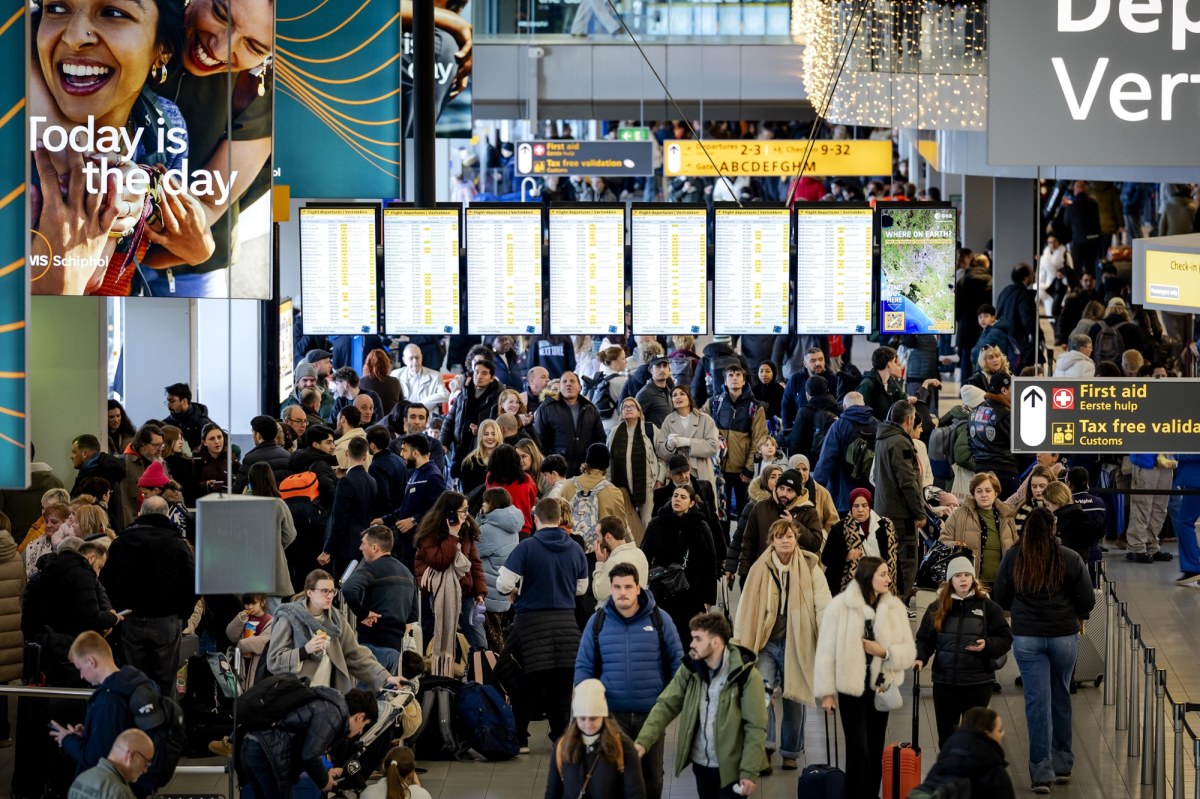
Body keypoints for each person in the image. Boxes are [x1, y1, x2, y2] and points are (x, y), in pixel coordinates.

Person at [991, 508, 1094, 793]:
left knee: (1036, 702)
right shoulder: (1070, 557)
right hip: (1063, 636)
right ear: (1053, 528)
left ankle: (1041, 771)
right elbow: (1086, 599)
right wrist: (1074, 611)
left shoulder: (1014, 557)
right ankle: (1063, 763)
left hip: (1027, 637)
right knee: (1061, 693)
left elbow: (1000, 596)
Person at [574, 563, 682, 799]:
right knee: (611, 779)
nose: (622, 592)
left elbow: (678, 664)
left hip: (652, 715)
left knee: (651, 779)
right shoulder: (597, 621)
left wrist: (670, 703)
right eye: (617, 587)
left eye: (627, 587)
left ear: (638, 588)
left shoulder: (659, 619)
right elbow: (583, 665)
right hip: (612, 716)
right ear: (611, 589)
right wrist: (585, 707)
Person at [633, 612, 767, 799]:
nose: (691, 644)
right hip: (701, 765)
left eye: (698, 639)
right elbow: (667, 704)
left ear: (716, 642)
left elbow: (756, 727)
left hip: (732, 768)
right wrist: (643, 742)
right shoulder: (691, 667)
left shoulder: (746, 676)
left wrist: (749, 771)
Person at [813, 557, 917, 799]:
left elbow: (908, 651)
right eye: (883, 574)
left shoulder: (894, 608)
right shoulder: (840, 607)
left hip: (881, 688)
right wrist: (827, 693)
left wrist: (884, 652)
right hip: (851, 689)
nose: (889, 579)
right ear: (868, 576)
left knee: (874, 748)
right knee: (858, 749)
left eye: (888, 574)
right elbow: (826, 652)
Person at [735, 520, 831, 772]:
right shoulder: (760, 568)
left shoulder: (811, 567)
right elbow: (745, 606)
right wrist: (740, 643)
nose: (785, 540)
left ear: (796, 539)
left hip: (796, 642)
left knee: (794, 698)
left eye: (789, 536)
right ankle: (764, 748)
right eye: (779, 536)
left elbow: (823, 606)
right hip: (765, 643)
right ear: (772, 541)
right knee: (761, 696)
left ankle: (791, 751)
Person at [497, 498, 589, 751]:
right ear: (560, 518)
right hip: (566, 625)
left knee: (524, 683)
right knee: (561, 686)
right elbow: (582, 588)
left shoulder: (527, 547)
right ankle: (561, 737)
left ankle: (520, 738)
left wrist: (515, 591)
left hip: (531, 625)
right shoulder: (575, 548)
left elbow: (503, 583)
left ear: (535, 518)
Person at [100, 497, 195, 697]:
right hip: (166, 621)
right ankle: (162, 723)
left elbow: (106, 581)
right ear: (167, 515)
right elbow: (193, 583)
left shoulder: (121, 542)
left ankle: (136, 724)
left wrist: (117, 611)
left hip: (130, 619)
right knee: (165, 682)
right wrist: (183, 614)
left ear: (140, 514)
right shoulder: (178, 545)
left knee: (134, 682)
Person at [913, 557, 1013, 747]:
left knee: (974, 737)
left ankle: (971, 775)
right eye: (958, 575)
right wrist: (920, 657)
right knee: (946, 737)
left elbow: (1005, 638)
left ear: (973, 578)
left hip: (978, 681)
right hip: (945, 681)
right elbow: (925, 639)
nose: (963, 579)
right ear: (950, 579)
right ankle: (950, 775)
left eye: (967, 575)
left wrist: (988, 644)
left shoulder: (988, 606)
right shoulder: (937, 607)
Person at [49, 633, 161, 790]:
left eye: (80, 668)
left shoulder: (108, 700)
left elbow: (96, 758)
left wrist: (67, 740)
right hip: (133, 777)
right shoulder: (135, 681)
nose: (81, 676)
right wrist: (88, 733)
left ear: (91, 661)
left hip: (108, 786)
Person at [267, 569, 406, 693]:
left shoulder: (336, 619)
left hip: (330, 696)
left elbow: (357, 655)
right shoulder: (289, 617)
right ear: (309, 592)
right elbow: (274, 660)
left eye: (332, 591)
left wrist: (387, 678)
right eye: (324, 591)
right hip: (297, 695)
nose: (329, 596)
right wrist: (304, 651)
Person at [238, 686, 380, 799]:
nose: (361, 732)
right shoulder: (333, 715)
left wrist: (325, 770)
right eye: (364, 725)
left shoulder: (329, 701)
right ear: (360, 717)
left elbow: (308, 746)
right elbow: (310, 755)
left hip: (254, 745)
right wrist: (324, 781)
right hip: (267, 754)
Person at [642, 481, 718, 646]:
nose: (677, 499)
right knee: (662, 640)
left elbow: (710, 562)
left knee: (689, 641)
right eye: (675, 496)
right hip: (662, 592)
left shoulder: (701, 527)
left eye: (683, 497)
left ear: (691, 503)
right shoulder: (657, 523)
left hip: (691, 593)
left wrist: (709, 598)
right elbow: (644, 556)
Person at [413, 491, 487, 659]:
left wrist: (480, 592)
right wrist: (452, 535)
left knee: (479, 642)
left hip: (466, 593)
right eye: (463, 511)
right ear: (450, 512)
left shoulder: (466, 530)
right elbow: (440, 562)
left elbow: (474, 562)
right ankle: (446, 676)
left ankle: (479, 678)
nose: (466, 515)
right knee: (445, 642)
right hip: (441, 594)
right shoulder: (429, 534)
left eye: (467, 510)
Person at [546, 679, 647, 799]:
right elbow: (552, 792)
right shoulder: (562, 745)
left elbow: (635, 793)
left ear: (603, 715)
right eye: (582, 719)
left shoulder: (623, 746)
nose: (588, 725)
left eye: (593, 718)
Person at [341, 526, 419, 676]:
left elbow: (348, 588)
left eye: (364, 543)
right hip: (395, 650)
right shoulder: (407, 573)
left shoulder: (371, 569)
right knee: (383, 696)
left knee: (365, 696)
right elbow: (413, 615)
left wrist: (363, 614)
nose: (360, 547)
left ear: (375, 547)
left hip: (371, 645)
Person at [872, 400, 926, 605]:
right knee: (906, 562)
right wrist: (919, 512)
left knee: (887, 559)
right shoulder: (901, 442)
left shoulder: (882, 439)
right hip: (901, 515)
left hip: (883, 511)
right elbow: (908, 481)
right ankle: (898, 606)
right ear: (910, 419)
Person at [377, 434, 447, 573]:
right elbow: (407, 507)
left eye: (404, 450)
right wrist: (384, 519)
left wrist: (414, 520)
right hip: (408, 544)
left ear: (415, 453)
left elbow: (439, 509)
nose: (401, 454)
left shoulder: (433, 476)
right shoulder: (416, 474)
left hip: (421, 545)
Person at [705, 364, 767, 519]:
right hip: (719, 470)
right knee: (720, 512)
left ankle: (741, 543)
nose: (734, 378)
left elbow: (759, 440)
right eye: (730, 375)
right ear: (725, 381)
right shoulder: (714, 403)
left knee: (744, 512)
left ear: (744, 380)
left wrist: (748, 469)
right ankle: (723, 543)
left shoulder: (755, 407)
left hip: (742, 471)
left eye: (738, 375)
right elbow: (700, 426)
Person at [918, 708, 1017, 799]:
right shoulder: (995, 771)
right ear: (987, 734)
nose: (1001, 735)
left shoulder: (942, 763)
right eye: (999, 730)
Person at [940, 472, 1018, 587]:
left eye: (988, 490)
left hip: (1003, 583)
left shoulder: (1006, 515)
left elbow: (1016, 546)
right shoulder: (958, 514)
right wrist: (956, 544)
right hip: (970, 583)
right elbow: (943, 541)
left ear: (996, 493)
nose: (984, 494)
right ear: (973, 494)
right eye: (979, 491)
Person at [822, 487, 898, 598]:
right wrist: (846, 556)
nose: (860, 510)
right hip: (848, 590)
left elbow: (895, 560)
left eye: (864, 505)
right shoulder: (839, 529)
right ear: (851, 507)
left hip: (881, 586)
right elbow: (826, 559)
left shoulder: (885, 527)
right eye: (856, 506)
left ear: (870, 506)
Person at [319, 437, 376, 578]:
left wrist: (327, 550)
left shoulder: (346, 481)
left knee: (342, 588)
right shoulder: (371, 480)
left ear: (346, 453)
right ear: (365, 455)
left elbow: (339, 520)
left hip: (345, 546)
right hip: (365, 543)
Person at [812, 392, 878, 511]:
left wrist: (815, 487)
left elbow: (827, 459)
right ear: (863, 404)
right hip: (871, 494)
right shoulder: (876, 424)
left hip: (844, 494)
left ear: (845, 407)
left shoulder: (839, 426)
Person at [534, 371, 606, 476]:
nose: (568, 384)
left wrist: (592, 463)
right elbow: (539, 440)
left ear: (580, 387)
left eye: (572, 381)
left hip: (584, 470)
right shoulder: (547, 408)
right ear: (560, 387)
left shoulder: (590, 409)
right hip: (556, 471)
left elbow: (600, 439)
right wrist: (548, 465)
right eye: (564, 381)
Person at [655, 385, 720, 497]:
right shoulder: (668, 421)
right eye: (674, 395)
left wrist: (688, 442)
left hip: (701, 470)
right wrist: (668, 446)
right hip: (677, 474)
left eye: (682, 394)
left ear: (689, 398)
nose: (678, 397)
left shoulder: (705, 419)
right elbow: (660, 452)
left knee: (704, 506)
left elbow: (713, 446)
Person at [558, 444, 628, 548]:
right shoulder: (613, 492)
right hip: (599, 552)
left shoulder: (567, 486)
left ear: (587, 461)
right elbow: (621, 527)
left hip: (568, 547)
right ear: (606, 465)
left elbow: (556, 517)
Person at [442, 360, 503, 477]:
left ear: (492, 378)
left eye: (484, 373)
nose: (479, 376)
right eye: (477, 372)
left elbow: (499, 425)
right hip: (461, 448)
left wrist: (480, 430)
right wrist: (444, 442)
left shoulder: (498, 397)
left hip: (483, 452)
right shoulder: (463, 394)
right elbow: (449, 420)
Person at [606, 398, 659, 531]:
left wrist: (660, 479)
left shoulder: (649, 429)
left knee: (647, 522)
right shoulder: (615, 432)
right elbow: (609, 460)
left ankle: (646, 551)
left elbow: (662, 456)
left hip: (647, 486)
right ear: (621, 412)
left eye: (632, 406)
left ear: (639, 411)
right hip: (621, 488)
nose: (628, 409)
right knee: (625, 524)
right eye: (625, 407)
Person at [1042, 481, 1105, 583]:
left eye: (1047, 505)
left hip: (1066, 576)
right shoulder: (1079, 519)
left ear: (1057, 501)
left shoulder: (1068, 523)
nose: (1046, 509)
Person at [67, 728, 155, 799]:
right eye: (146, 762)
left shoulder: (81, 778)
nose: (145, 770)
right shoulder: (120, 792)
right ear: (130, 757)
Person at [969, 373, 1019, 497]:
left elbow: (970, 442)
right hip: (1005, 472)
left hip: (980, 471)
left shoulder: (974, 412)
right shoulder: (1007, 415)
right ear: (1004, 390)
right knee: (1005, 511)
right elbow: (1019, 446)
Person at [1126, 452, 1177, 564]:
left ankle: (1151, 545)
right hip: (1145, 460)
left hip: (1167, 461)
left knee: (1160, 508)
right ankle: (1136, 547)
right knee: (1141, 506)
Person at [70, 435, 127, 529]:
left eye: (74, 452)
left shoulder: (93, 480)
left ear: (84, 453)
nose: (71, 457)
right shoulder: (106, 470)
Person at [592, 516, 649, 603]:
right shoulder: (640, 553)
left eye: (598, 536)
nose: (597, 541)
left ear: (607, 537)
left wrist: (600, 563)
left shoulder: (614, 562)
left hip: (618, 613)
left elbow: (598, 593)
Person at [485, 443, 538, 535]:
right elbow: (532, 501)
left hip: (496, 527)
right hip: (523, 528)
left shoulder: (490, 478)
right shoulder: (526, 479)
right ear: (516, 460)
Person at [224, 593, 275, 688]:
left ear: (262, 603)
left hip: (258, 662)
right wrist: (239, 620)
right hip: (242, 661)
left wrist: (243, 644)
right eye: (247, 604)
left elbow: (266, 642)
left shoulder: (270, 621)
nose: (249, 607)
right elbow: (231, 636)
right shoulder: (244, 618)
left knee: (253, 685)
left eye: (253, 604)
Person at [232, 416, 292, 494]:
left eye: (253, 432)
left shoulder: (250, 459)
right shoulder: (287, 455)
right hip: (283, 504)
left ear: (258, 435)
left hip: (262, 504)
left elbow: (237, 489)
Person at [360, 745, 432, 799]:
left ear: (384, 767)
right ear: (411, 773)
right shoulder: (422, 795)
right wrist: (418, 788)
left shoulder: (368, 793)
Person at [856, 346, 908, 421]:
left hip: (887, 427)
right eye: (894, 361)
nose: (897, 365)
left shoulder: (890, 382)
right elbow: (862, 412)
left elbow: (902, 398)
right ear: (889, 364)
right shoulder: (867, 384)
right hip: (874, 429)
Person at [393, 344, 449, 413]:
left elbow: (445, 395)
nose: (415, 361)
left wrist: (419, 405)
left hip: (427, 417)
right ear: (404, 360)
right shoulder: (396, 375)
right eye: (411, 358)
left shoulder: (435, 376)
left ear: (421, 357)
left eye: (417, 357)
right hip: (403, 417)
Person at [459, 419, 502, 497]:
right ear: (480, 436)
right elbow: (467, 493)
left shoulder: (506, 459)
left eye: (493, 434)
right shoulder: (470, 462)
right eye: (486, 434)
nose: (490, 437)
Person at [195, 424, 239, 498]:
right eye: (212, 439)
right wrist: (205, 485)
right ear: (204, 442)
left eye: (219, 437)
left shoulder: (232, 460)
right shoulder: (197, 461)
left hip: (229, 503)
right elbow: (190, 487)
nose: (217, 441)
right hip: (205, 504)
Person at [634, 356, 676, 430]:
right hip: (654, 439)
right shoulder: (645, 393)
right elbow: (633, 418)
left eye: (665, 366)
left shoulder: (670, 391)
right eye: (658, 366)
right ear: (651, 370)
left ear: (669, 369)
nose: (662, 369)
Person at [361, 349, 404, 416]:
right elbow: (401, 404)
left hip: (370, 423)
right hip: (391, 421)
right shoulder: (395, 382)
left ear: (368, 365)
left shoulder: (361, 382)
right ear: (387, 364)